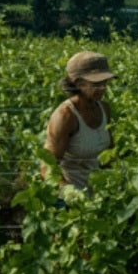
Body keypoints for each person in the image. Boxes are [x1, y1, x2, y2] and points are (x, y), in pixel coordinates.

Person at [44, 50, 116, 195]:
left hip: (102, 193)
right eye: (96, 83)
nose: (103, 88)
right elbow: (47, 167)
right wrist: (69, 194)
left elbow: (109, 155)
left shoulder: (104, 109)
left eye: (105, 82)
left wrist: (117, 181)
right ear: (78, 83)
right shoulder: (65, 116)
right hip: (75, 197)